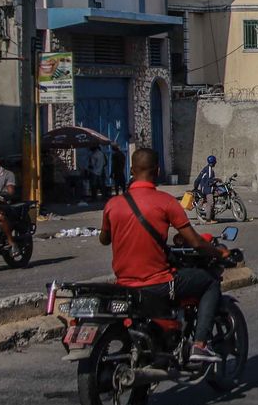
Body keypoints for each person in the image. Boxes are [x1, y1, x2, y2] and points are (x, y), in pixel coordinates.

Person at [97, 147, 229, 364]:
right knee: (209, 283)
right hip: (158, 283)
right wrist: (218, 252)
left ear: (132, 170)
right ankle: (199, 345)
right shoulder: (165, 202)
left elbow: (104, 239)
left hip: (123, 284)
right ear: (157, 171)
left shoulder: (113, 205)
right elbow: (195, 242)